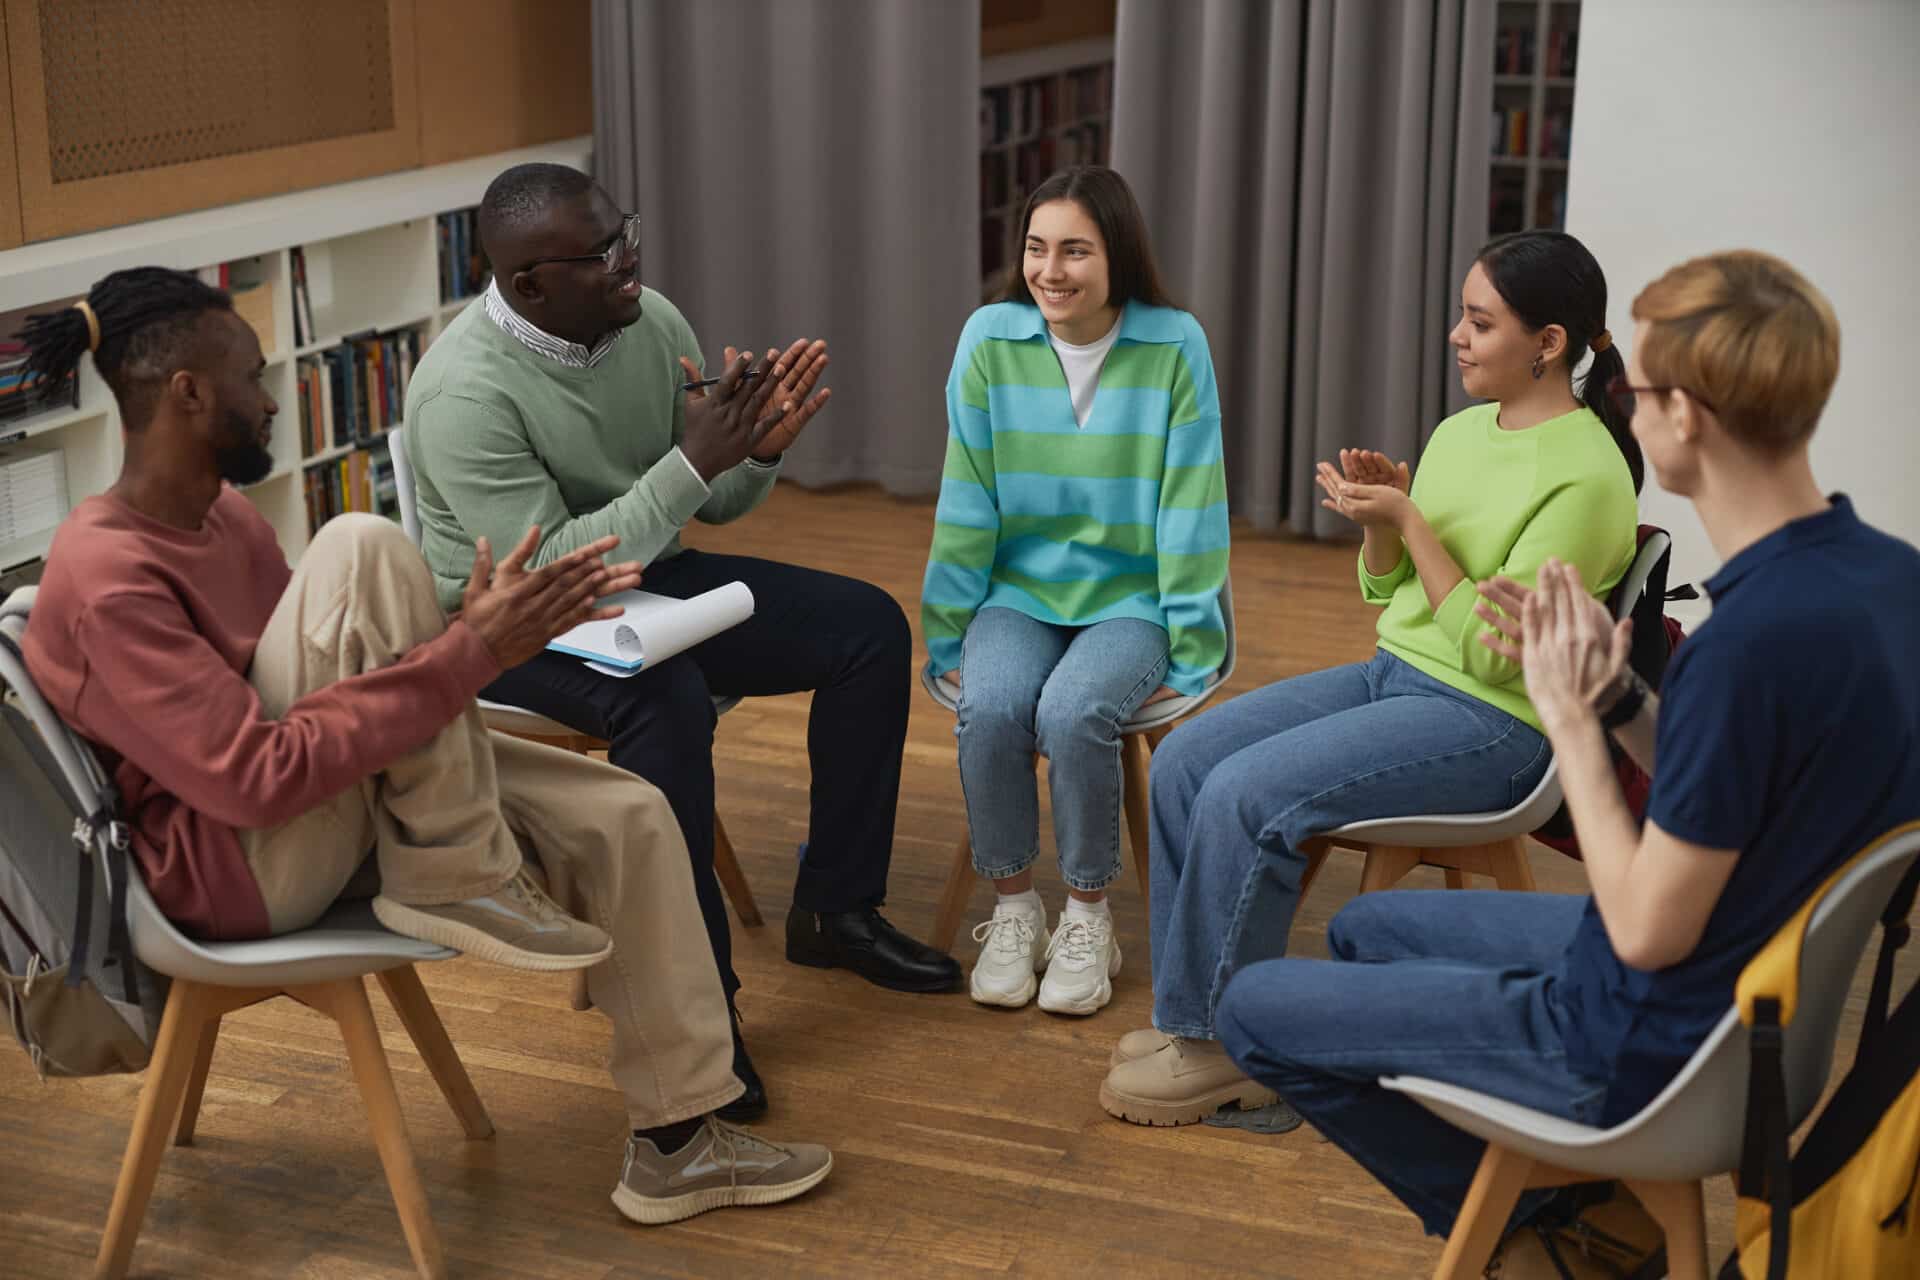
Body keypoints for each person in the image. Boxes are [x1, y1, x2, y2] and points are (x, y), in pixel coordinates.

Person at [17, 268, 833, 1225]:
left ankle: (680, 1141)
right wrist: (469, 653)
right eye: (250, 374)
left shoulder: (225, 516)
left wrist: (467, 654)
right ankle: (455, 866)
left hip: (337, 801)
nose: (271, 394)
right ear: (187, 394)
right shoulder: (109, 573)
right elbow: (254, 780)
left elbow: (341, 688)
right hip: (234, 866)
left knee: (629, 813)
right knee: (361, 542)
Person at [1213, 250, 1920, 1270]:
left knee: (1253, 1009)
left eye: (1641, 389)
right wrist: (1617, 696)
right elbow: (1752, 778)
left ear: (1689, 418)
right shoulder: (1887, 580)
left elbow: (1642, 927)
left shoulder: (1746, 645)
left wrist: (1571, 728)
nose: (1622, 404)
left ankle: (1558, 1223)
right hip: (1769, 1011)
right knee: (1368, 925)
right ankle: (1577, 1210)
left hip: (1651, 1041)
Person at [405, 163, 963, 1116]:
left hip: (647, 579)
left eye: (627, 233)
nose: (632, 262)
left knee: (866, 628)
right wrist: (691, 462)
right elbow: (550, 571)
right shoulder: (462, 394)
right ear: (530, 284)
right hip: (514, 622)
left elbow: (708, 501)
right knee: (662, 705)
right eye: (605, 254)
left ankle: (835, 908)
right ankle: (698, 1013)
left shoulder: (646, 320)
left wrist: (757, 447)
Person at [1100, 230, 1642, 1126]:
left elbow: (1500, 658)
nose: (1457, 337)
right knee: (1190, 757)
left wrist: (1411, 522)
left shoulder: (1589, 479)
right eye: (1461, 317)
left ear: (1550, 342)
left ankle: (1233, 1051)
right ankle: (1192, 1020)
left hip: (1499, 726)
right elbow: (1389, 594)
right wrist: (1382, 525)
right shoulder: (1465, 429)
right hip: (1397, 675)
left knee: (1245, 793)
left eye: (1481, 322)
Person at [921, 165, 1227, 1015]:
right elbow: (967, 498)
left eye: (1076, 251)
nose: (1051, 270)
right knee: (991, 704)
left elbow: (1191, 505)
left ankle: (1090, 915)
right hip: (1016, 594)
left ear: (1116, 257)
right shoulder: (989, 339)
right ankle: (1015, 909)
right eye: (1036, 247)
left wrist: (1196, 646)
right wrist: (948, 638)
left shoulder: (1175, 345)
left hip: (1132, 601)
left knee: (1071, 711)